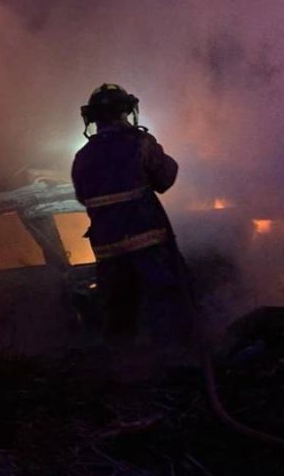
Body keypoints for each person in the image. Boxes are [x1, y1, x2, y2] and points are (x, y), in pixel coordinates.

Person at [71, 83, 194, 354]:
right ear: (125, 112)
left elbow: (82, 196)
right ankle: (175, 362)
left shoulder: (82, 157)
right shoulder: (139, 143)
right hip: (148, 243)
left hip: (108, 251)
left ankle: (124, 371)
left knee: (118, 312)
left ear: (93, 118)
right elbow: (165, 178)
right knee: (166, 303)